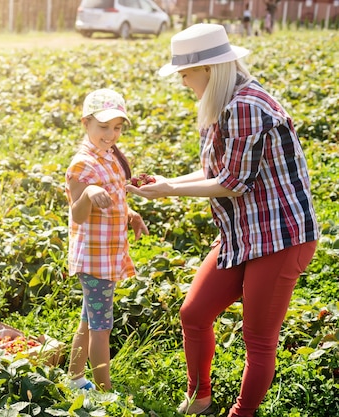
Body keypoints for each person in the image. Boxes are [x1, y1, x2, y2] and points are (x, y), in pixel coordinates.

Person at [127, 24, 319, 416]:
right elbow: (215, 170)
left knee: (258, 339)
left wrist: (170, 193)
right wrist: (168, 183)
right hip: (242, 230)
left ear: (209, 70)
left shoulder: (246, 106)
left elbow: (234, 183)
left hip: (281, 236)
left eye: (184, 73)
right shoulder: (222, 103)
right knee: (193, 314)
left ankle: (241, 413)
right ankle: (199, 397)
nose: (182, 81)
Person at [65, 88, 148, 391]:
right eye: (103, 127)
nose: (111, 134)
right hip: (95, 260)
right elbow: (77, 214)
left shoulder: (110, 157)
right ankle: (105, 393)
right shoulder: (82, 165)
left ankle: (75, 379)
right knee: (102, 328)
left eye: (117, 127)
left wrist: (131, 215)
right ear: (85, 123)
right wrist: (88, 192)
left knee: (89, 320)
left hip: (108, 254)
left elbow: (115, 199)